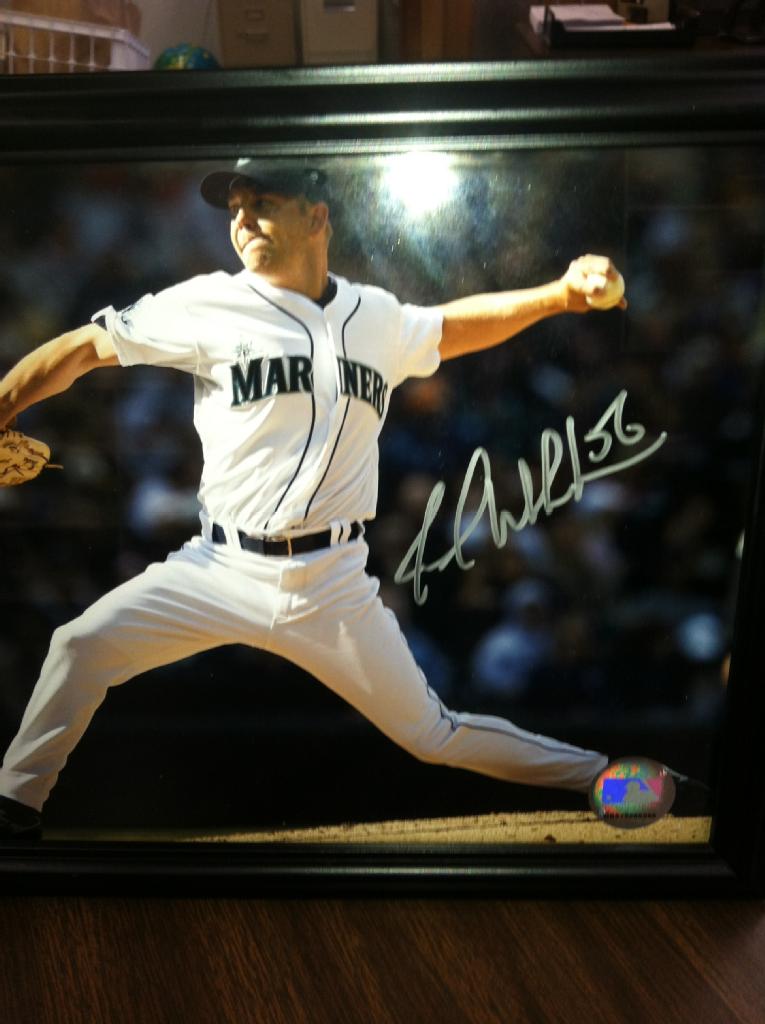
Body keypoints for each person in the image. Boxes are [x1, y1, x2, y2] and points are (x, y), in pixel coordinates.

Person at [0, 160, 627, 840]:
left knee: (432, 733)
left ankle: (605, 777)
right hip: (218, 567)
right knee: (80, 645)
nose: (242, 220)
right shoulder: (208, 303)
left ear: (316, 217)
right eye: (235, 209)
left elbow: (449, 328)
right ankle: (12, 807)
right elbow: (87, 346)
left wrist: (559, 296)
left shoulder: (374, 316)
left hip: (332, 581)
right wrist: (2, 405)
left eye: (261, 203)